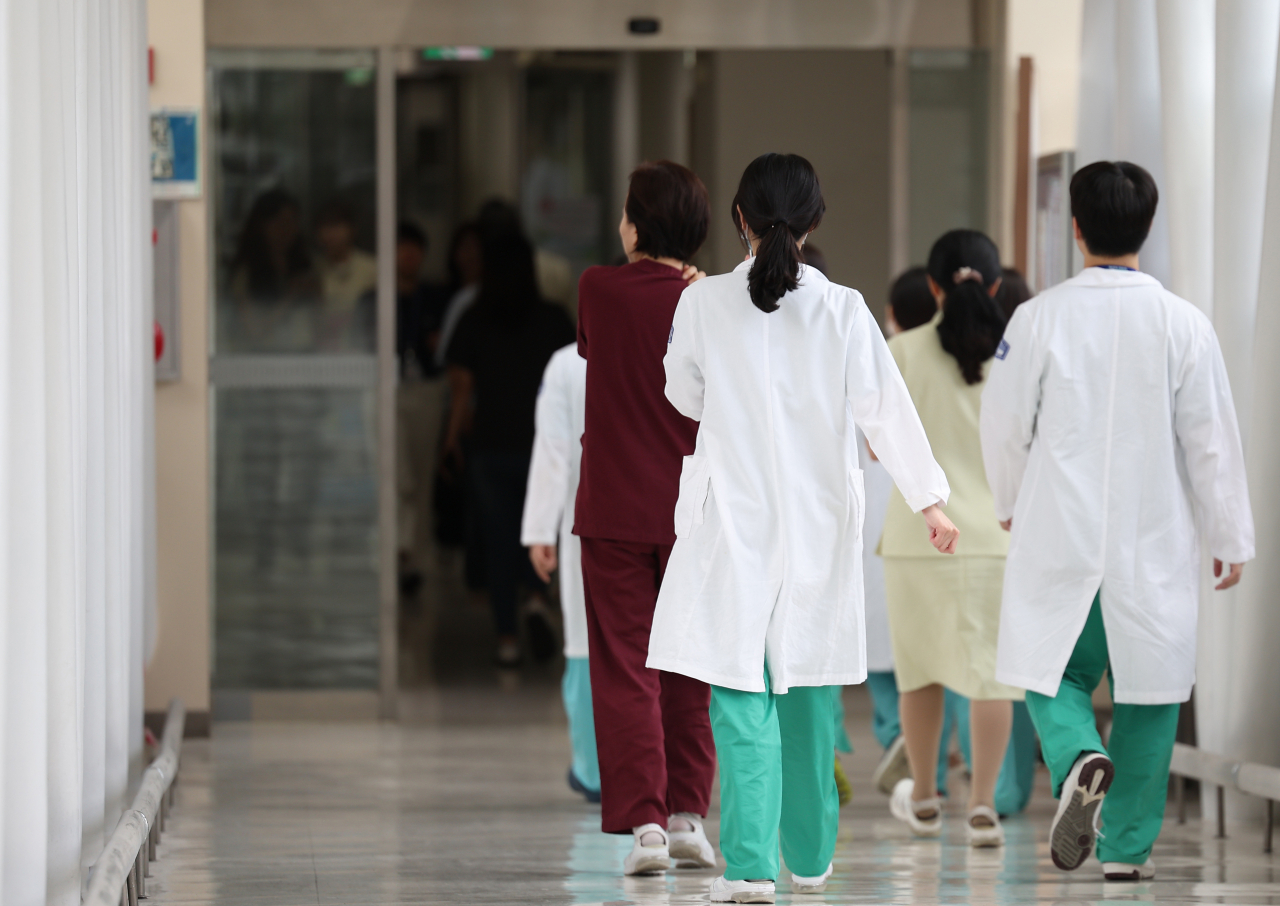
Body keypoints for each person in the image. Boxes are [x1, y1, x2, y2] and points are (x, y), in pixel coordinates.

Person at [648, 153, 958, 904]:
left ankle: (750, 868)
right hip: (818, 524)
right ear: (815, 220)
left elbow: (683, 396)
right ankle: (810, 859)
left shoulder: (703, 305)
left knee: (740, 693)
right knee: (810, 690)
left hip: (734, 520)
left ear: (739, 220)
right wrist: (931, 503)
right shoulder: (845, 309)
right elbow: (886, 411)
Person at [981, 160, 1255, 881]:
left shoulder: (1036, 318)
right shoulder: (1184, 325)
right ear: (1149, 226)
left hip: (1059, 531)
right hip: (1151, 537)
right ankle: (1126, 852)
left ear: (1074, 228)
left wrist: (1007, 500)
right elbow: (1211, 438)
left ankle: (1076, 757)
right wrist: (1229, 534)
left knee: (1048, 669)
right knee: (1151, 691)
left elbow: (1003, 425)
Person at [574, 160, 717, 877]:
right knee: (692, 665)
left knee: (627, 668)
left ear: (635, 223)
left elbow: (596, 350)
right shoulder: (712, 302)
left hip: (613, 512)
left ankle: (648, 831)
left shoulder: (597, 289)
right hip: (694, 512)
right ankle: (691, 815)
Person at [880, 229, 1022, 849]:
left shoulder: (903, 350)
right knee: (992, 679)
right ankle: (985, 804)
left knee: (920, 676)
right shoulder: (1016, 354)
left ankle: (928, 798)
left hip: (918, 539)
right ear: (994, 285)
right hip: (995, 539)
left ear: (932, 286)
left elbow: (875, 443)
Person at [443, 221, 575, 666]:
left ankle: (506, 641)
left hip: (490, 448)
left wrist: (449, 441)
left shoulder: (473, 319)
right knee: (539, 531)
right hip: (542, 446)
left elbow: (461, 387)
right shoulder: (554, 318)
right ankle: (536, 599)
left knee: (499, 542)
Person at [521, 343, 598, 802]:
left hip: (585, 526)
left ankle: (593, 772)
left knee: (587, 645)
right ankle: (661, 777)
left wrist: (539, 530)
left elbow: (552, 450)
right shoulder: (679, 343)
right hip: (668, 527)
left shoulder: (568, 363)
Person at [314, 199, 377, 350]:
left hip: (359, 352)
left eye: (336, 226)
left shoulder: (372, 269)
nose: (329, 234)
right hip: (319, 354)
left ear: (352, 229)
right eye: (324, 227)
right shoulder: (313, 271)